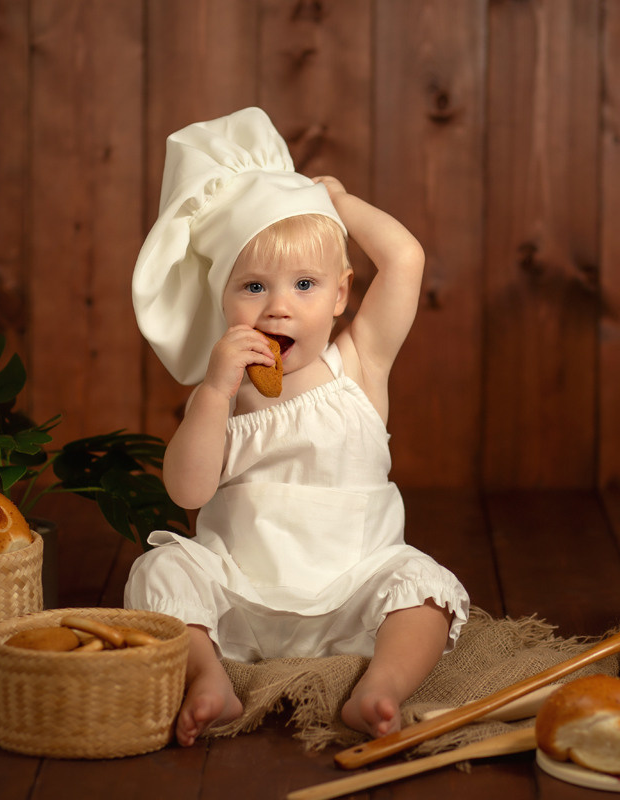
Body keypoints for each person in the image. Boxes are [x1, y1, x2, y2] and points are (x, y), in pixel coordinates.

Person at [126, 107, 469, 747]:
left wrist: (338, 200)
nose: (279, 306)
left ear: (340, 296)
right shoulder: (222, 395)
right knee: (158, 575)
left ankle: (381, 687)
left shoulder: (360, 363)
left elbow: (404, 257)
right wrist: (212, 392)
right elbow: (187, 494)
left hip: (353, 590)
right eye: (253, 286)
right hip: (239, 593)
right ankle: (210, 680)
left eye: (305, 284)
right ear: (223, 302)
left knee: (425, 589)